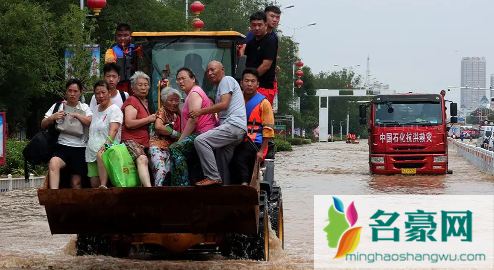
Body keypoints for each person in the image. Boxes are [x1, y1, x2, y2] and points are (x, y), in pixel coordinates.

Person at [189, 61, 247, 186]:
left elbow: (224, 105)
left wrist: (200, 111)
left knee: (200, 141)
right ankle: (224, 189)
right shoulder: (220, 87)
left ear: (223, 69)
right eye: (208, 71)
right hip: (236, 130)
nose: (210, 73)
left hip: (233, 126)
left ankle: (212, 176)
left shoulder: (226, 80)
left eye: (213, 70)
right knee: (221, 163)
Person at [41, 78, 93, 189]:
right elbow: (43, 124)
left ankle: (75, 205)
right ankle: (54, 196)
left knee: (76, 182)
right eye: (70, 91)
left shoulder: (85, 107)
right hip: (62, 146)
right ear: (66, 91)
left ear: (80, 92)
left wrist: (78, 115)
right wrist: (52, 117)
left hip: (80, 148)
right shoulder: (58, 106)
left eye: (75, 91)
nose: (72, 94)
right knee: (53, 163)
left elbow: (90, 122)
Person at [169, 68, 216, 186]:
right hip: (198, 135)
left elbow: (193, 120)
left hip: (202, 133)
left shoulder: (195, 93)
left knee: (176, 148)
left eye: (183, 78)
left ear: (193, 79)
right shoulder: (190, 95)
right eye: (178, 79)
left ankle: (181, 186)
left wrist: (181, 140)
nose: (180, 82)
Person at [230, 68, 274, 186]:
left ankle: (245, 185)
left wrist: (261, 152)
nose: (249, 84)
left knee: (240, 158)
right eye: (246, 81)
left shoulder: (264, 103)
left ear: (257, 84)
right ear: (241, 83)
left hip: (255, 143)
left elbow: (268, 130)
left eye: (253, 81)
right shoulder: (235, 100)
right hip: (235, 139)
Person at [85, 80, 123, 188]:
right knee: (94, 185)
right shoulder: (96, 110)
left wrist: (106, 146)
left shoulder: (115, 110)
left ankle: (104, 185)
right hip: (91, 153)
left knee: (106, 186)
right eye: (97, 93)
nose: (101, 96)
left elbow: (114, 130)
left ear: (109, 93)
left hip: (107, 151)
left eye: (103, 92)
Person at [120, 71, 156, 187]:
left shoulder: (145, 102)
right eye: (140, 85)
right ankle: (149, 190)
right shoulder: (132, 100)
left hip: (144, 142)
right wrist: (149, 119)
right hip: (131, 140)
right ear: (133, 88)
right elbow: (129, 123)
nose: (143, 88)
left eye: (146, 85)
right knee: (142, 159)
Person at [149, 87, 182, 186]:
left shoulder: (176, 116)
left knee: (168, 174)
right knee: (161, 172)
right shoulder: (162, 111)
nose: (174, 103)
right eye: (171, 100)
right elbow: (159, 126)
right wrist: (175, 133)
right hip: (157, 147)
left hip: (169, 149)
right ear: (163, 101)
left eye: (176, 101)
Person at [243, 11, 278, 105]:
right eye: (254, 25)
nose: (257, 28)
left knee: (259, 115)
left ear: (265, 25)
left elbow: (266, 65)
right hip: (250, 87)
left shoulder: (270, 41)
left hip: (264, 87)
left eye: (259, 25)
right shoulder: (250, 43)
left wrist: (251, 80)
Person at [105, 23, 135, 94]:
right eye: (119, 36)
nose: (122, 38)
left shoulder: (136, 49)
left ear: (130, 36)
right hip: (118, 87)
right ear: (116, 37)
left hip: (134, 87)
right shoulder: (110, 52)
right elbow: (110, 66)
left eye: (125, 35)